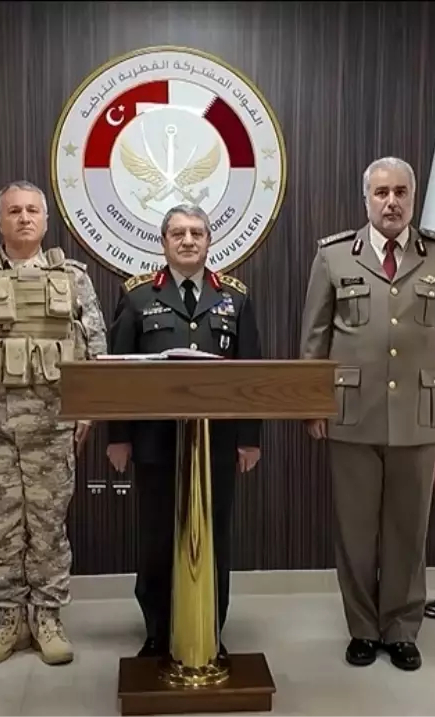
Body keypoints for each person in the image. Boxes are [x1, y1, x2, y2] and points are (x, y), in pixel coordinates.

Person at [297, 157, 435, 672]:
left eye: (400, 192)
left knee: (407, 530)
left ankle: (400, 629)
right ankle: (362, 628)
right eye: (381, 193)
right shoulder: (334, 256)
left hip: (420, 414)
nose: (391, 202)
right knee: (355, 531)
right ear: (366, 199)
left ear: (412, 198)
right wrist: (312, 405)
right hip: (350, 414)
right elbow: (314, 339)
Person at [0, 180, 108, 667]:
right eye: (14, 211)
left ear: (46, 220)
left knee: (49, 527)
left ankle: (47, 618)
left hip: (52, 426)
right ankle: (11, 618)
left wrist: (86, 414)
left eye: (33, 210)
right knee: (0, 528)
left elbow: (95, 350)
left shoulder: (73, 277)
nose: (24, 218)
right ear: (0, 221)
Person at [104, 203, 263, 659]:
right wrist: (119, 436)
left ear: (210, 240)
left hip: (217, 443)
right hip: (155, 441)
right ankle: (157, 630)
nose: (188, 240)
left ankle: (210, 630)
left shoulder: (235, 297)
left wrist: (249, 438)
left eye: (197, 232)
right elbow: (117, 374)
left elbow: (251, 372)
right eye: (178, 233)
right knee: (157, 537)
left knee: (215, 537)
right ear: (164, 242)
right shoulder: (137, 296)